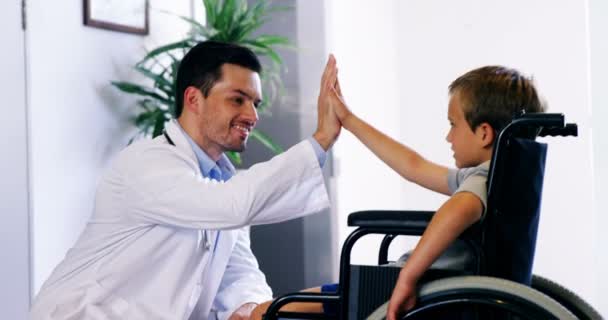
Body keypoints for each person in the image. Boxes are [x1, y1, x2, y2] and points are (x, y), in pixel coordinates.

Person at [30, 41, 341, 320]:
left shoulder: (221, 181)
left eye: (255, 104)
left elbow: (236, 273)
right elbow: (232, 206)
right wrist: (322, 139)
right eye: (238, 100)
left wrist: (249, 306)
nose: (252, 115)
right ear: (194, 99)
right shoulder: (147, 164)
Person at [251, 63, 546, 320]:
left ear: (483, 133)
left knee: (265, 313)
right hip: (434, 285)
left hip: (409, 287)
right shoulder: (498, 177)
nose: (448, 136)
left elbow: (456, 210)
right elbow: (413, 165)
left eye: (453, 125)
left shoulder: (479, 183)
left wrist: (407, 277)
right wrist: (350, 120)